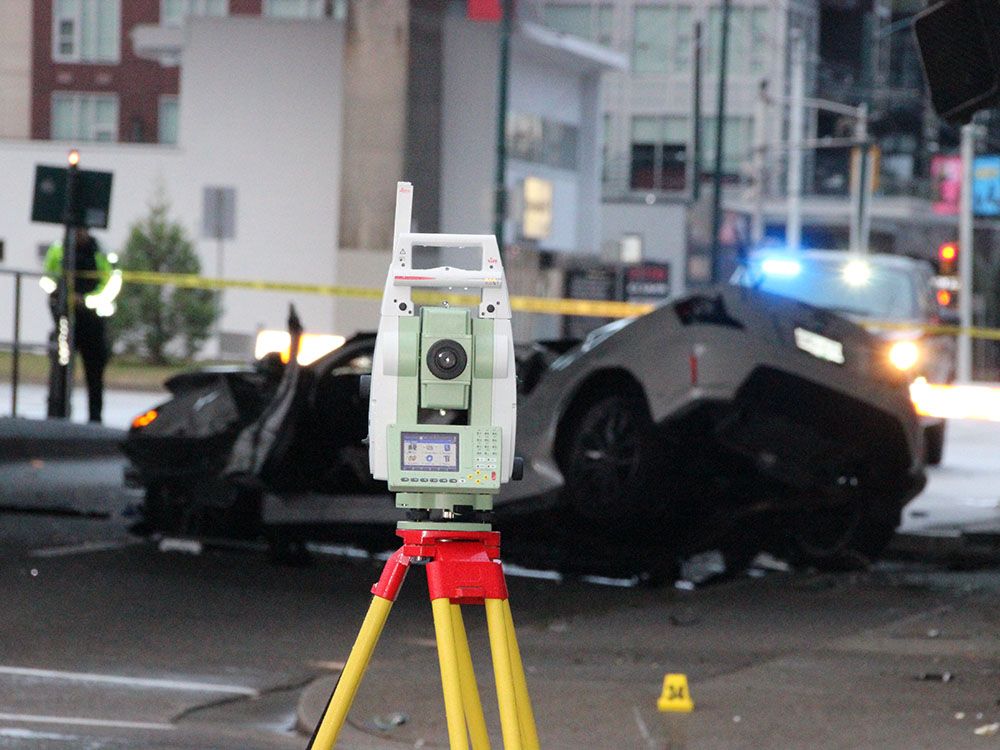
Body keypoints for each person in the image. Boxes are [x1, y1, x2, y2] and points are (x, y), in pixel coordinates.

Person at [40, 228, 121, 423]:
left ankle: (95, 419)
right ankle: (57, 415)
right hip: (65, 320)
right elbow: (47, 278)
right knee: (61, 370)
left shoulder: (100, 251)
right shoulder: (59, 250)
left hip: (92, 322)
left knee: (94, 374)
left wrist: (85, 301)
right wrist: (62, 297)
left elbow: (111, 284)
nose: (78, 234)